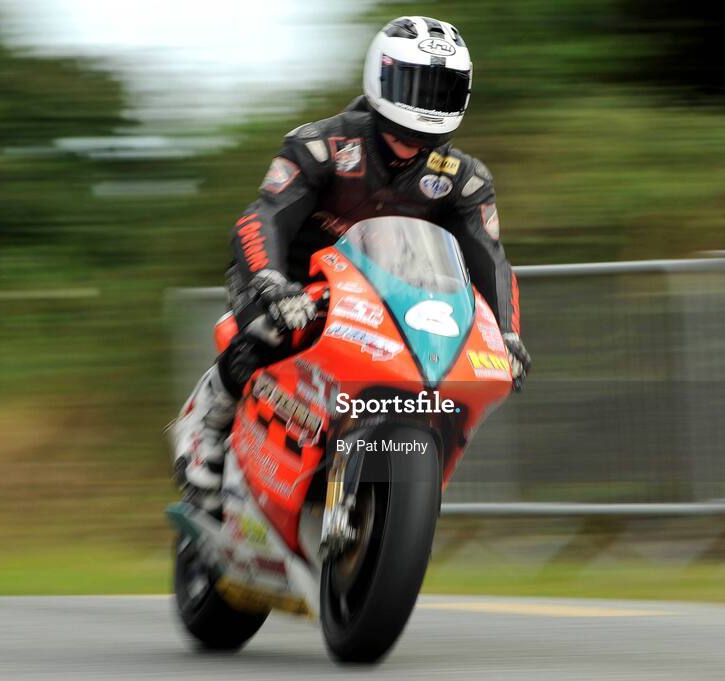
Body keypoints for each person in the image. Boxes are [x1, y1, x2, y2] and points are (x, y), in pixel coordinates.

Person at [168, 16, 532, 509]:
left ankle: (379, 469)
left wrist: (507, 335)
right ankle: (204, 423)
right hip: (289, 279)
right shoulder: (321, 144)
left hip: (387, 295)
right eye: (415, 84)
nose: (426, 102)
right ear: (380, 77)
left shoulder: (464, 179)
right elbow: (262, 217)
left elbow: (489, 257)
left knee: (442, 370)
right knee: (271, 331)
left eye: (441, 89)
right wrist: (271, 284)